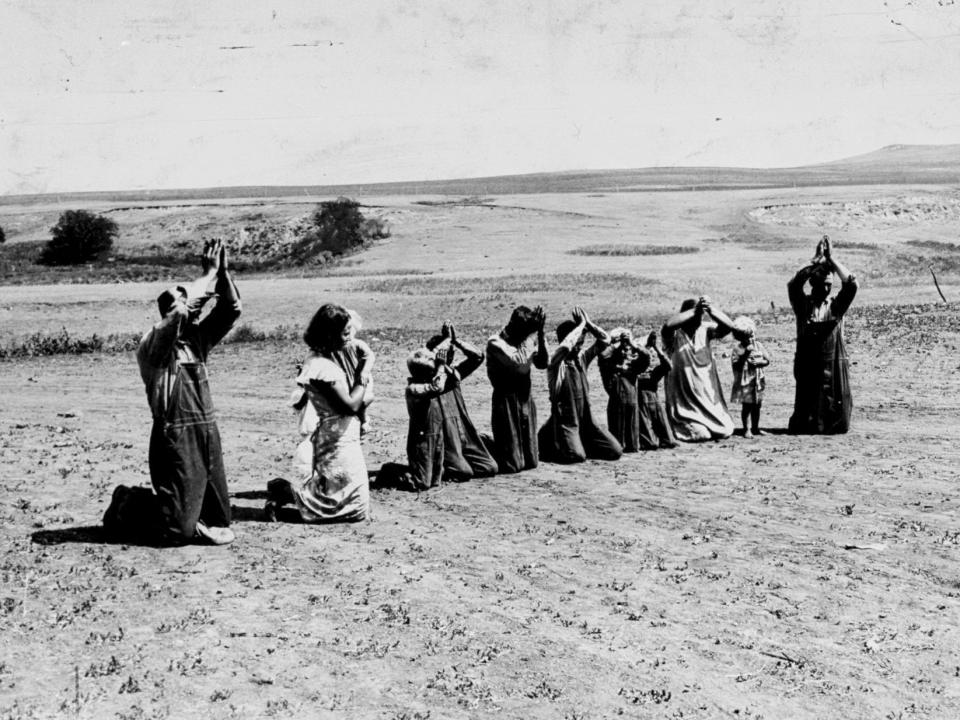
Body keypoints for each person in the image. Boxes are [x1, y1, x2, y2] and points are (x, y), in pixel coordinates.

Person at [103, 239, 242, 545]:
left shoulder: (197, 340)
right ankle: (129, 502)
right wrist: (207, 274)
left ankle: (183, 512)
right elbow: (179, 310)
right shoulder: (153, 346)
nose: (196, 305)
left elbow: (231, 309)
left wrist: (224, 274)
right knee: (179, 531)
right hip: (174, 437)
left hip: (206, 433)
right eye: (189, 300)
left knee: (220, 521)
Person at [265, 304, 372, 522]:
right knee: (352, 506)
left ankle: (286, 491)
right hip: (336, 437)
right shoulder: (321, 367)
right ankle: (285, 497)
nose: (349, 338)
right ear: (330, 335)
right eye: (344, 334)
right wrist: (364, 371)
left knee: (353, 501)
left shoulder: (326, 359)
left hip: (342, 433)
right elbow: (350, 405)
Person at [787, 235, 858, 434]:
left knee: (836, 413)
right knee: (806, 415)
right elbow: (793, 285)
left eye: (829, 284)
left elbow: (852, 284)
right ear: (812, 283)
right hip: (808, 363)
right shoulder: (803, 306)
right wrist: (815, 261)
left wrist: (832, 259)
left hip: (833, 363)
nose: (826, 289)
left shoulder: (836, 306)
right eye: (821, 284)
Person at [539, 308, 622, 463]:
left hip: (586, 419)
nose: (578, 348)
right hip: (567, 421)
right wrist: (580, 326)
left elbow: (605, 339)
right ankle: (553, 441)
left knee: (615, 450)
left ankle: (577, 441)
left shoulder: (581, 358)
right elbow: (565, 347)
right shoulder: (556, 363)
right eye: (577, 344)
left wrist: (587, 323)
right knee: (577, 456)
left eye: (581, 344)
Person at [661, 296, 742, 442]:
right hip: (684, 401)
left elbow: (729, 327)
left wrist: (710, 309)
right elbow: (668, 325)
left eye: (700, 316)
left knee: (725, 430)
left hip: (706, 395)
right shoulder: (674, 335)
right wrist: (695, 310)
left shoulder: (705, 330)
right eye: (695, 315)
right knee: (701, 434)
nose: (698, 319)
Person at [426, 323, 498, 480]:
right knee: (464, 472)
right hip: (446, 436)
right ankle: (438, 465)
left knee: (490, 467)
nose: (448, 355)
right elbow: (437, 384)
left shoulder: (454, 374)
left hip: (463, 432)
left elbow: (478, 356)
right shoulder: (428, 377)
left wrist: (455, 340)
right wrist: (440, 365)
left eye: (449, 352)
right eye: (444, 352)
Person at [486, 305, 548, 473]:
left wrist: (540, 334)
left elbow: (542, 363)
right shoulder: (496, 342)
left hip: (525, 398)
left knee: (531, 462)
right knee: (513, 465)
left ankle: (504, 445)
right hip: (506, 400)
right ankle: (483, 443)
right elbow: (519, 365)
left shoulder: (527, 337)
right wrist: (531, 337)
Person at [597, 328, 646, 453]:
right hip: (616, 405)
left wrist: (632, 344)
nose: (625, 349)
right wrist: (616, 344)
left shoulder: (633, 364)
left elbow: (646, 357)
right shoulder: (609, 366)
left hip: (632, 405)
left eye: (626, 346)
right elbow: (603, 356)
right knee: (617, 445)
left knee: (633, 446)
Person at [730, 316, 771, 438]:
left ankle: (756, 427)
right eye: (747, 336)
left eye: (752, 335)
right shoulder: (738, 348)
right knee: (747, 406)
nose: (751, 338)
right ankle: (746, 429)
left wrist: (761, 363)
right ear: (740, 337)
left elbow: (767, 359)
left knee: (757, 405)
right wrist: (746, 354)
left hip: (758, 380)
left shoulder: (758, 345)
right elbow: (736, 365)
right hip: (746, 381)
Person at [636, 331, 677, 450]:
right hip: (640, 404)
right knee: (651, 443)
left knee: (670, 441)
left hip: (654, 403)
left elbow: (668, 365)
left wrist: (656, 347)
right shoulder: (634, 370)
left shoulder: (654, 373)